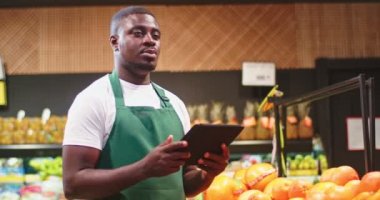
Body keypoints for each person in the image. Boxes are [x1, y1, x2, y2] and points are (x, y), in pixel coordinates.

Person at [62, 6, 229, 200]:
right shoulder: (93, 99)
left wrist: (208, 174)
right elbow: (73, 185)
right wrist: (144, 169)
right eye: (138, 33)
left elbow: (184, 185)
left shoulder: (175, 104)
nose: (150, 40)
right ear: (115, 42)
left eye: (156, 36)